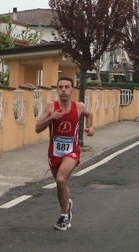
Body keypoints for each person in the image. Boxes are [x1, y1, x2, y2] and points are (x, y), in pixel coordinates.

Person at [35, 77, 94, 230]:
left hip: (72, 150)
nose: (63, 90)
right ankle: (66, 204)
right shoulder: (51, 106)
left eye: (67, 87)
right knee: (60, 184)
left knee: (61, 179)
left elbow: (89, 114)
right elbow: (37, 128)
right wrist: (51, 118)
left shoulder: (79, 106)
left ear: (72, 90)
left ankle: (64, 217)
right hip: (54, 152)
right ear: (57, 90)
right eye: (60, 87)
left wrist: (89, 127)